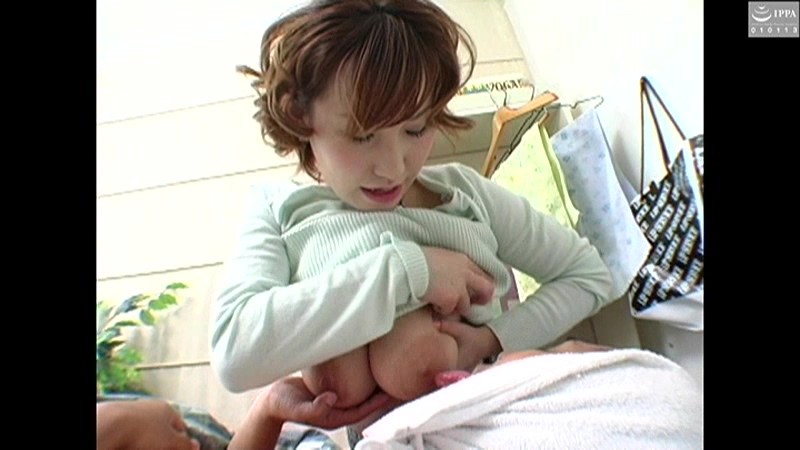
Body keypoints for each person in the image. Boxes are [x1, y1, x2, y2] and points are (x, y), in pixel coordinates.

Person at [211, 0, 613, 420]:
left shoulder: (465, 195)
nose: (393, 168)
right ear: (300, 117)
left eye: (416, 129)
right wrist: (410, 271)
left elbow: (587, 275)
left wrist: (493, 339)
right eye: (362, 136)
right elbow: (234, 354)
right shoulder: (278, 211)